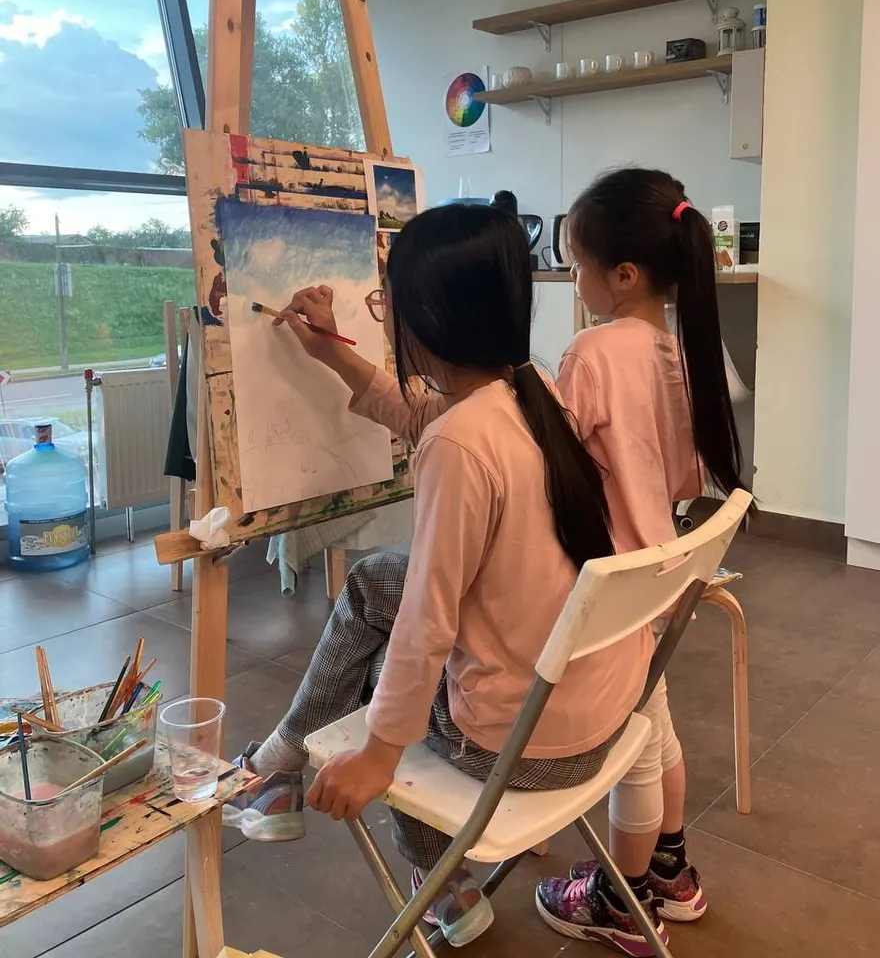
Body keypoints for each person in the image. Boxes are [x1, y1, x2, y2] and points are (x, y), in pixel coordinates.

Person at [228, 204, 660, 949]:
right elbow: (424, 414)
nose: (383, 318)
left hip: (520, 748)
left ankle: (435, 880)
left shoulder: (461, 442)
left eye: (385, 304)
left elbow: (427, 623)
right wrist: (331, 351)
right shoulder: (532, 391)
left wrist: (378, 756)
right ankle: (281, 772)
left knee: (379, 669)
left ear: (426, 316)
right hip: (603, 716)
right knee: (374, 587)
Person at [535, 168, 746, 952]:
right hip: (662, 571)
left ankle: (621, 903)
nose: (573, 279)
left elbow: (549, 469)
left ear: (622, 275)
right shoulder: (684, 348)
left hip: (609, 586)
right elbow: (686, 479)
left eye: (577, 264)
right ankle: (670, 870)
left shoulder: (592, 352)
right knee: (656, 726)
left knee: (638, 745)